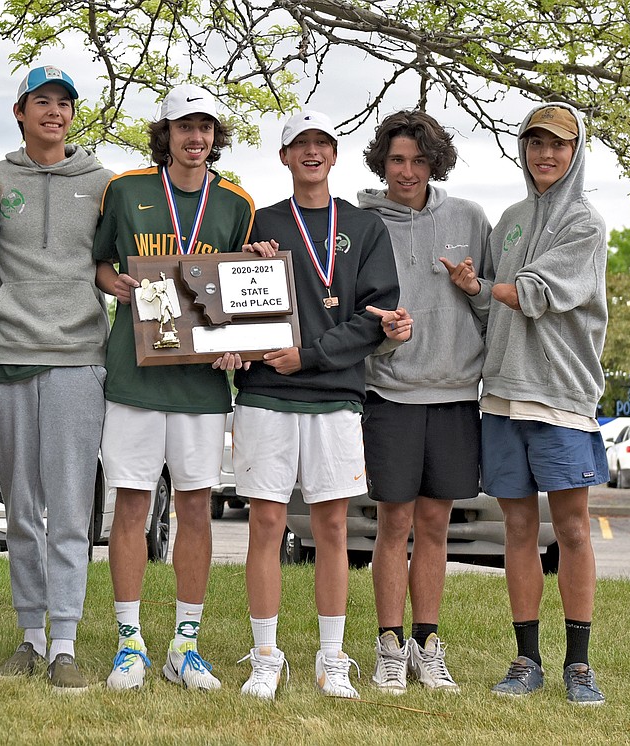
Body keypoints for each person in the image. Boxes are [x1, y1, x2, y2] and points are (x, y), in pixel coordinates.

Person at [93, 84, 255, 692]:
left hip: (202, 385)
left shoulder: (235, 202)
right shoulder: (127, 190)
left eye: (206, 128)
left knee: (195, 507)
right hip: (135, 376)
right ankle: (129, 642)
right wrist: (121, 288)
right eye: (185, 127)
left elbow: (242, 288)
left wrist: (240, 332)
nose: (196, 138)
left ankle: (185, 645)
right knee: (130, 505)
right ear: (166, 133)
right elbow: (102, 263)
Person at [233, 111, 399, 701]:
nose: (311, 152)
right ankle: (264, 656)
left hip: (333, 395)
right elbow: (229, 303)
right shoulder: (259, 221)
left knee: (332, 526)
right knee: (267, 524)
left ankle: (332, 658)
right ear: (283, 157)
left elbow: (376, 320)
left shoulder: (364, 226)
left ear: (335, 155)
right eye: (299, 144)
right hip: (266, 394)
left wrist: (310, 355)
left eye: (321, 144)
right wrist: (251, 260)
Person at [0, 66, 113, 692]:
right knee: (21, 507)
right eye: (42, 102)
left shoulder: (104, 184)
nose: (54, 112)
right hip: (6, 353)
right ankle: (29, 635)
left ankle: (65, 640)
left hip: (78, 356)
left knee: (69, 508)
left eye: (64, 103)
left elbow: (116, 267)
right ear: (20, 110)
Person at [356, 109, 492, 694]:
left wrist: (473, 288)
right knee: (394, 524)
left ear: (435, 162)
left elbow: (491, 305)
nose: (406, 171)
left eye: (417, 159)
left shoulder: (469, 218)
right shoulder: (360, 220)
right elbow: (341, 303)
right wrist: (379, 328)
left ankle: (427, 644)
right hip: (389, 390)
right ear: (381, 164)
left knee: (435, 524)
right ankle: (389, 644)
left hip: (456, 391)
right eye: (396, 160)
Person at [480, 103, 608, 706]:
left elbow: (532, 294)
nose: (544, 155)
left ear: (575, 151)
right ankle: (526, 659)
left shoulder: (585, 221)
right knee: (517, 529)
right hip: (502, 394)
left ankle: (578, 665)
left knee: (574, 530)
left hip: (560, 396)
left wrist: (477, 286)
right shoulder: (507, 219)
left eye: (557, 145)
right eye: (534, 143)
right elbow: (485, 308)